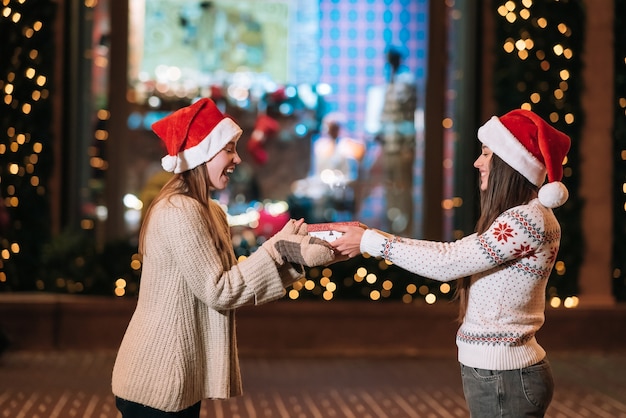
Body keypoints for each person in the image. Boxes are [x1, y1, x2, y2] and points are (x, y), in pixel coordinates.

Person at [331, 109, 571, 417]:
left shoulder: (527, 220)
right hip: (501, 374)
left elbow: (448, 262)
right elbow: (453, 253)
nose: (477, 162)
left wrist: (371, 242)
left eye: (486, 154)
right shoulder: (525, 216)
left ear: (510, 163)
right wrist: (373, 236)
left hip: (505, 377)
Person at [111, 98, 335, 417]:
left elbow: (234, 284)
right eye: (229, 148)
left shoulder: (208, 210)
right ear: (203, 153)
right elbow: (220, 291)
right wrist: (280, 249)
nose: (237, 158)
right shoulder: (179, 210)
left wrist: (293, 256)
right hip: (156, 378)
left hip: (178, 376)